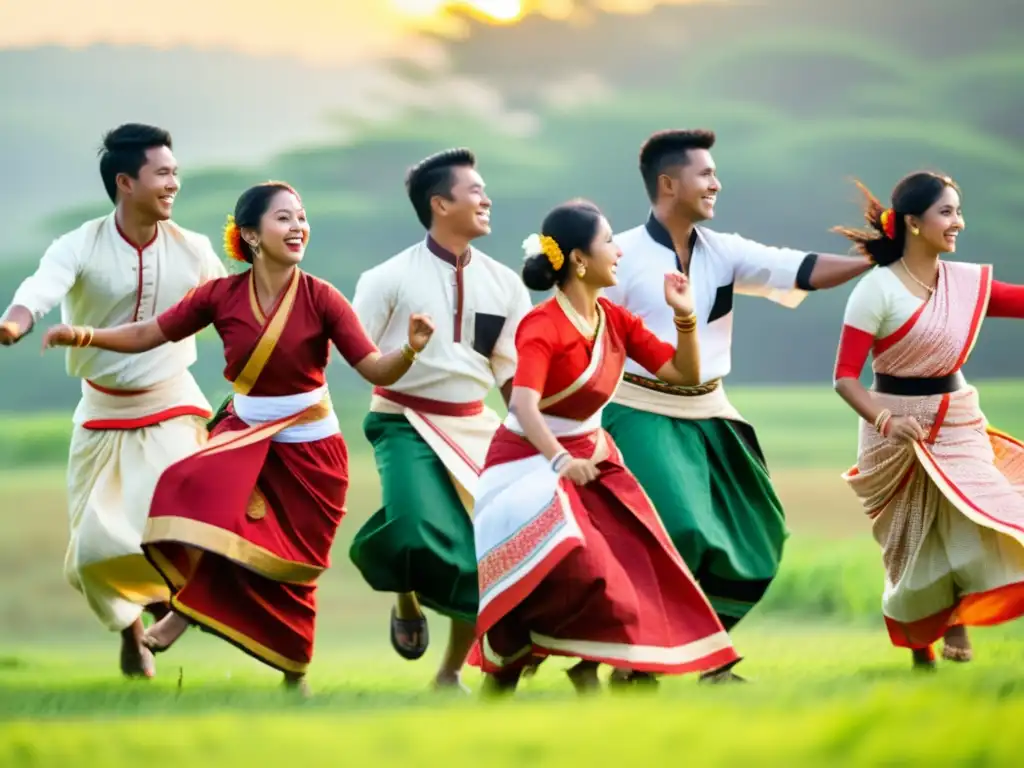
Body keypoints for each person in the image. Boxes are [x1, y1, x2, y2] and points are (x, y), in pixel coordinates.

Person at [41, 181, 435, 694]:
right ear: (250, 235)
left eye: (301, 218)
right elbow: (149, 333)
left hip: (312, 452)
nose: (298, 228)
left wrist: (410, 349)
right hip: (243, 438)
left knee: (294, 567)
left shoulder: (322, 299)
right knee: (196, 495)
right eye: (284, 219)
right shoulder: (219, 296)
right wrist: (85, 335)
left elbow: (376, 370)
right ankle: (183, 612)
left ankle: (295, 675)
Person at [601, 129, 872, 682]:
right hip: (639, 409)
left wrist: (874, 256)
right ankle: (671, 665)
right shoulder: (619, 256)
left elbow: (803, 270)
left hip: (711, 410)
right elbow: (587, 337)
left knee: (757, 531)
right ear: (668, 184)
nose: (716, 183)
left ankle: (689, 656)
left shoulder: (724, 250)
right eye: (705, 174)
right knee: (679, 528)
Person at [472, 199, 739, 695]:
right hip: (528, 462)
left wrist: (685, 317)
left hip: (592, 456)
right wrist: (561, 461)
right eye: (609, 242)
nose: (619, 251)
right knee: (575, 564)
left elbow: (683, 375)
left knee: (641, 559)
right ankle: (556, 667)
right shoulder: (541, 325)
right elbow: (525, 407)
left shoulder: (614, 318)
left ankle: (606, 666)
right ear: (579, 259)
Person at [0, 124, 226, 679]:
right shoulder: (79, 244)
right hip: (100, 412)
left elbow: (234, 309)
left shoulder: (194, 249)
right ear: (126, 182)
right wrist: (15, 322)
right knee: (96, 547)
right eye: (162, 174)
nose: (173, 183)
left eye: (175, 173)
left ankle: (177, 613)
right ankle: (132, 634)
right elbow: (41, 288)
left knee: (185, 518)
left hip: (174, 402)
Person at [348, 148, 533, 692]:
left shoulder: (506, 284)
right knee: (410, 532)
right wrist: (405, 353)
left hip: (476, 427)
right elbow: (361, 359)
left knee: (480, 551)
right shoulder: (386, 277)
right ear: (439, 203)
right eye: (474, 190)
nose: (486, 199)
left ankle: (450, 672)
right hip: (401, 419)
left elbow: (510, 374)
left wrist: (534, 432)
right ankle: (404, 592)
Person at [832, 172, 1024, 669]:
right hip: (894, 430)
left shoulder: (963, 284)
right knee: (910, 545)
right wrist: (887, 423)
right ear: (913, 223)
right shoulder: (875, 291)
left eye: (958, 211)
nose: (958, 222)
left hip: (957, 423)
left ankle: (959, 616)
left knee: (984, 511)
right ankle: (922, 651)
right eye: (946, 212)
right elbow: (845, 379)